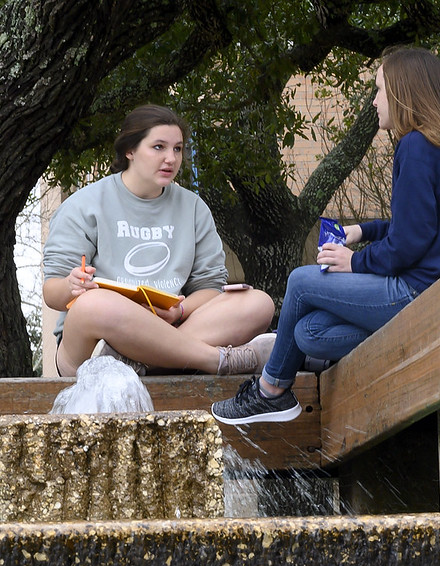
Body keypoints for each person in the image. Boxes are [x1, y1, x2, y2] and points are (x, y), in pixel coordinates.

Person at [211, 46, 440, 424]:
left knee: (301, 281)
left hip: (418, 294)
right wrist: (362, 231)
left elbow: (408, 245)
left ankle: (270, 391)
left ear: (402, 93)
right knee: (306, 332)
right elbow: (423, 227)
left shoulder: (416, 145)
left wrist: (355, 261)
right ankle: (339, 354)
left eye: (379, 90)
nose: (375, 102)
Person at [43, 104, 275, 378]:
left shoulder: (193, 207)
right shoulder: (82, 205)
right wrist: (72, 286)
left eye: (177, 149)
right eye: (159, 147)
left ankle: (134, 363)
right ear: (130, 150)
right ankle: (215, 360)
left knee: (257, 302)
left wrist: (179, 311)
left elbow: (210, 288)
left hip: (172, 327)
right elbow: (52, 294)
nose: (171, 159)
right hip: (92, 345)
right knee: (94, 304)